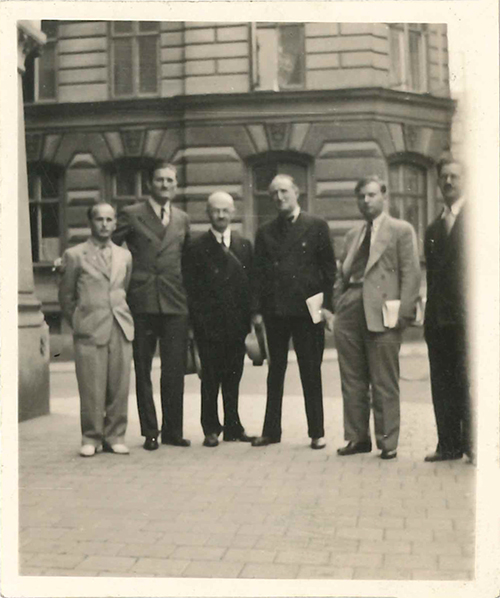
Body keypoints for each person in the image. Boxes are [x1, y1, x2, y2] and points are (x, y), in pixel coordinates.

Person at [334, 176, 421, 460]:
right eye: (361, 196)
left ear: (384, 196)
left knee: (384, 379)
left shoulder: (400, 230)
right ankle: (357, 438)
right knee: (352, 379)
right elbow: (342, 274)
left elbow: (410, 274)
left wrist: (404, 314)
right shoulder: (352, 235)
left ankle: (387, 442)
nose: (366, 201)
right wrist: (338, 303)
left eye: (371, 195)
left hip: (384, 311)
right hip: (351, 308)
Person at [251, 174, 336, 449]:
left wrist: (326, 308)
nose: (279, 197)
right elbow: (259, 275)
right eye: (274, 193)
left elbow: (328, 270)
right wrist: (258, 312)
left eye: (284, 191)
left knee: (311, 371)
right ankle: (271, 431)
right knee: (275, 372)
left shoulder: (316, 226)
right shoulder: (265, 232)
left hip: (308, 310)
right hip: (276, 311)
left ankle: (317, 432)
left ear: (296, 192)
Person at [112, 161, 191, 451]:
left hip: (174, 302)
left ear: (176, 185)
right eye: (160, 180)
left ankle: (173, 430)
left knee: (173, 370)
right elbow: (111, 249)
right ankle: (151, 432)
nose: (165, 185)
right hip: (142, 301)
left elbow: (187, 262)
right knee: (143, 369)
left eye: (170, 181)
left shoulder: (182, 218)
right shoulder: (132, 214)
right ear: (150, 184)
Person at [59, 203, 134, 457]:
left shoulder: (124, 255)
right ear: (90, 222)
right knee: (91, 386)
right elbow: (66, 297)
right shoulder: (75, 255)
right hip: (90, 328)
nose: (104, 224)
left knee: (119, 384)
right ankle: (91, 436)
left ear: (115, 224)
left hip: (120, 325)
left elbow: (126, 286)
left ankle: (115, 435)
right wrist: (80, 321)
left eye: (109, 219)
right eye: (99, 219)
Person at [183, 191, 255, 447]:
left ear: (233, 213)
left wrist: (250, 321)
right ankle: (210, 428)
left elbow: (251, 286)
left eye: (226, 210)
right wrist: (196, 325)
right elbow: (191, 289)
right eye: (216, 210)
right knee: (210, 378)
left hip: (236, 325)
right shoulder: (195, 246)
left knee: (234, 377)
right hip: (208, 326)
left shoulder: (244, 245)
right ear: (207, 213)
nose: (221, 215)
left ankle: (234, 427)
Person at [424, 154, 473, 463]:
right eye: (444, 177)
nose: (449, 182)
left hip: (470, 319)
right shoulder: (433, 229)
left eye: (454, 176)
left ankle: (475, 444)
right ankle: (448, 445)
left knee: (469, 381)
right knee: (442, 384)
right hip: (439, 320)